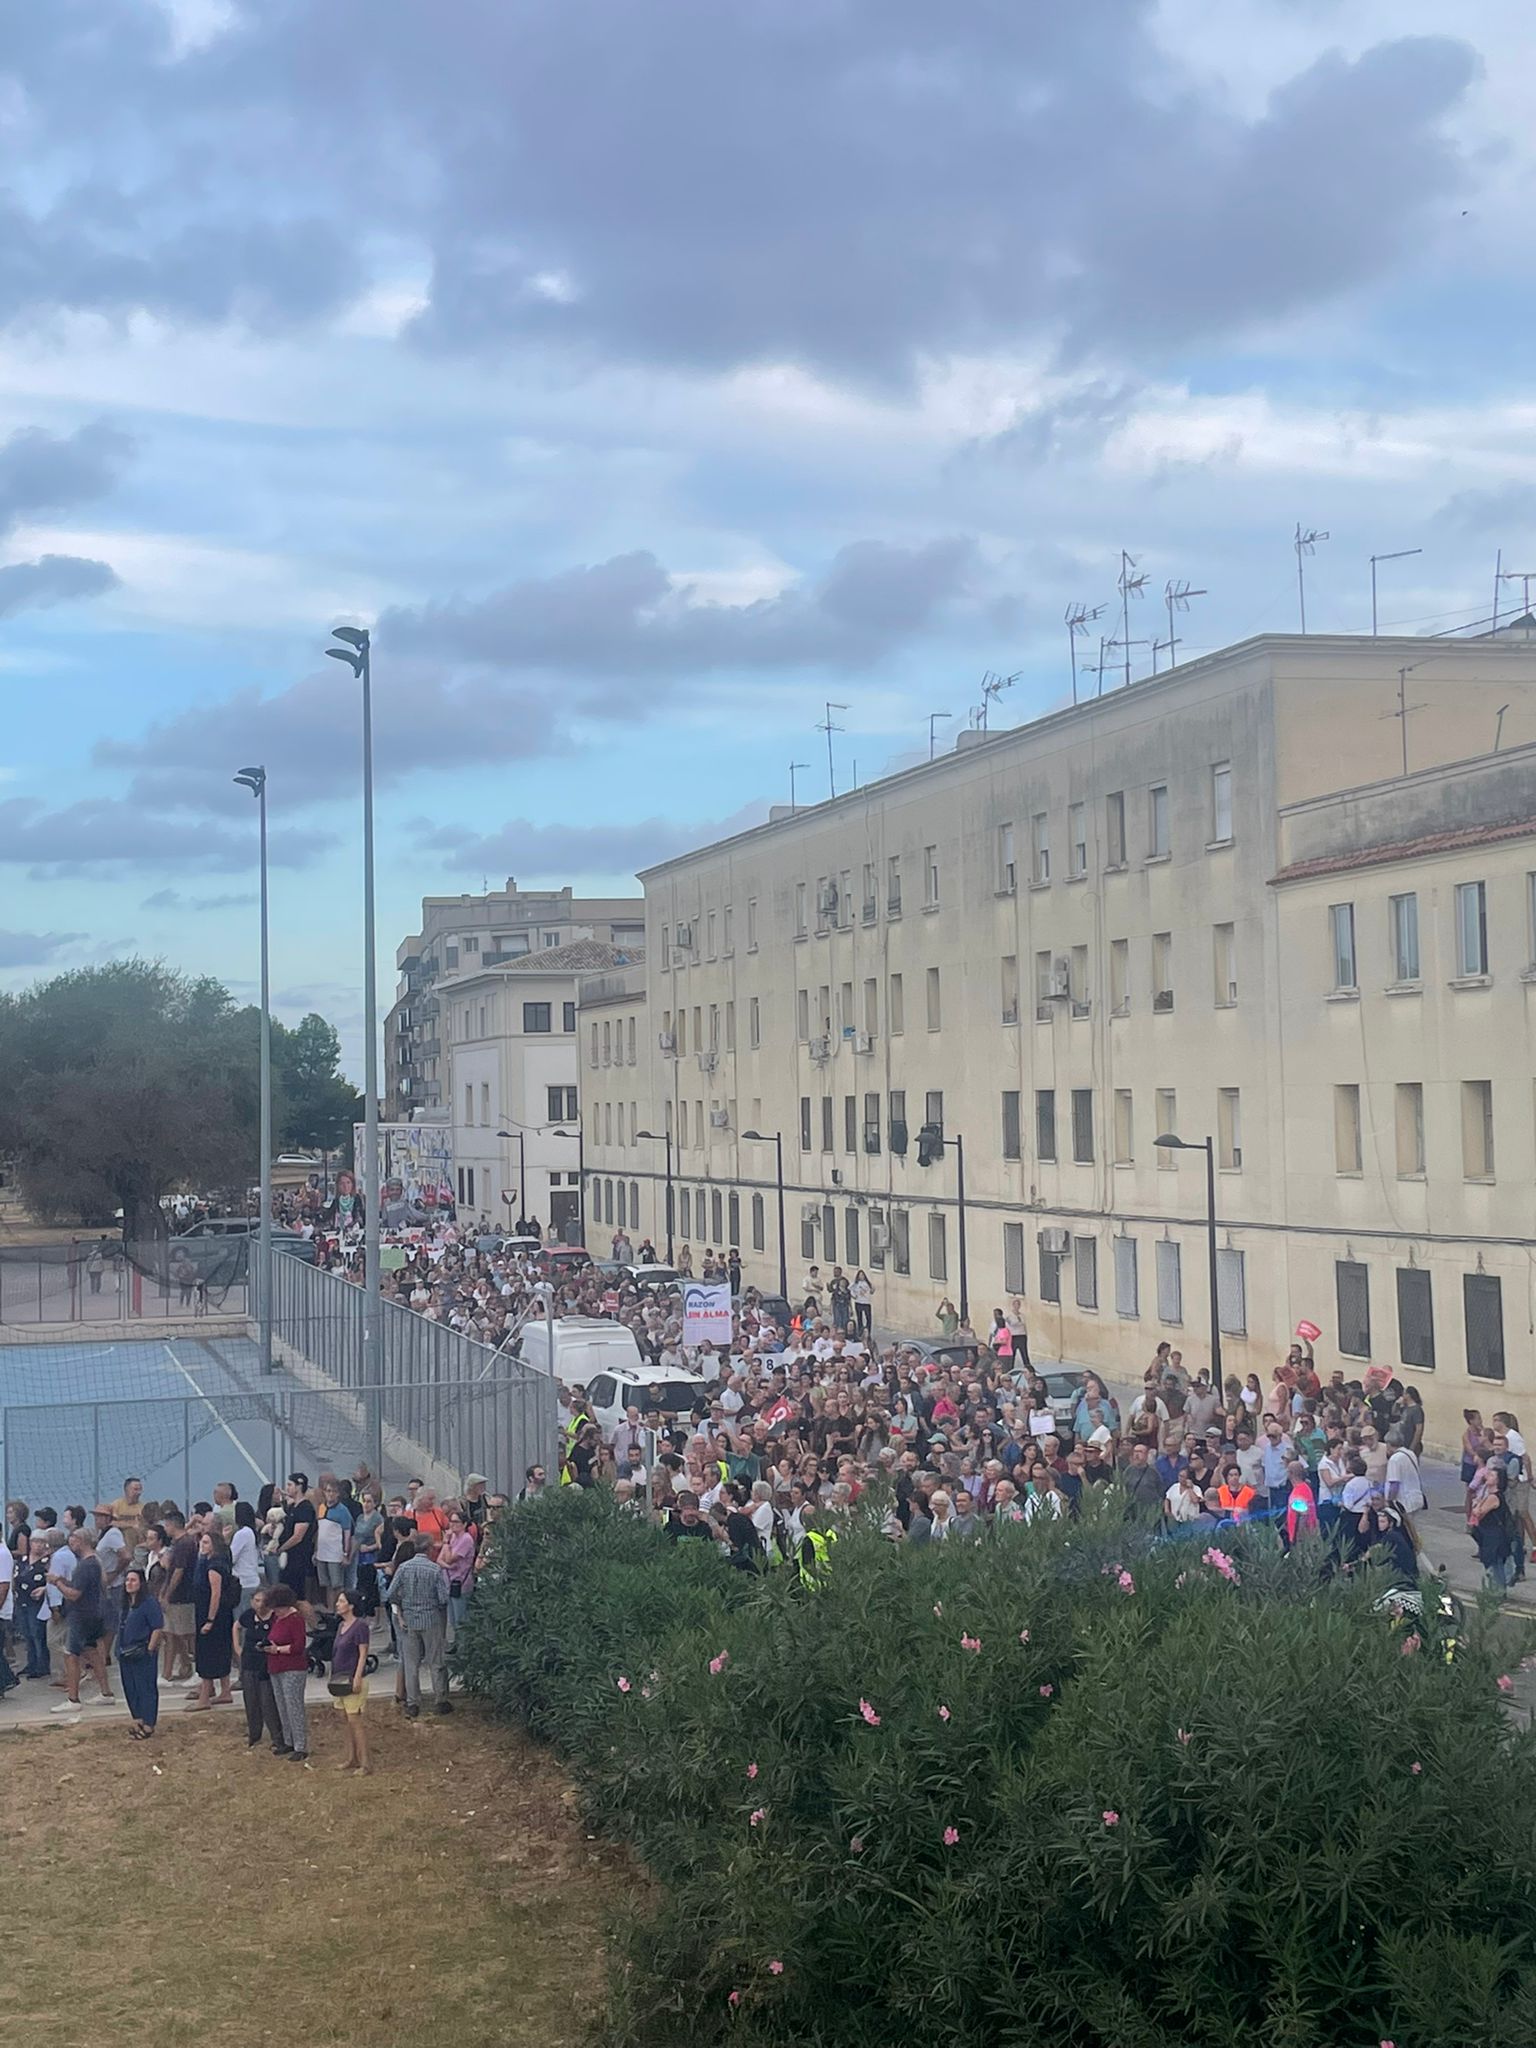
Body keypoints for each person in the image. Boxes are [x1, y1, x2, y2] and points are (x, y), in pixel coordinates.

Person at [382, 1533, 452, 1718]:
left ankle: (413, 1703)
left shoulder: (404, 1568)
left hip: (410, 1620)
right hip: (431, 1619)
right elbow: (444, 1598)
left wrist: (403, 1607)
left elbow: (389, 1594)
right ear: (429, 1549)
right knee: (436, 1661)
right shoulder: (434, 1570)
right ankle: (440, 1699)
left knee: (411, 1664)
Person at [50, 1527, 112, 1712]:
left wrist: (57, 1583)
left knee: (72, 1655)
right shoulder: (91, 1563)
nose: (71, 1542)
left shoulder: (87, 1565)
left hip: (81, 1616)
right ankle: (106, 1692)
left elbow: (75, 1594)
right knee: (91, 1652)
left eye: (73, 1539)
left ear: (81, 1541)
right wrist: (63, 1580)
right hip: (91, 1614)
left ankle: (73, 1698)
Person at [188, 1530, 235, 1710]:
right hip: (214, 1614)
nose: (202, 1545)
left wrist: (210, 1619)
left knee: (207, 1654)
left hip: (213, 1615)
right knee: (220, 1652)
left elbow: (215, 1594)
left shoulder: (214, 1566)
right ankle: (225, 1691)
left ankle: (205, 1697)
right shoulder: (209, 1562)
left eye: (206, 1542)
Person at [262, 1584, 310, 1761]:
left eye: (278, 1608)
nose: (276, 1611)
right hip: (276, 1666)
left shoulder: (295, 1619)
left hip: (293, 1668)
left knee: (294, 1706)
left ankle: (300, 1745)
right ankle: (288, 1740)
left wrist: (278, 1650)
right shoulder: (277, 1618)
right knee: (282, 1706)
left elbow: (299, 1646)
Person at [116, 1566, 164, 1737]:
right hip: (126, 1652)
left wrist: (150, 1650)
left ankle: (149, 1723)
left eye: (133, 1580)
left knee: (146, 1688)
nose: (129, 1583)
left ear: (141, 1583)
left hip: (142, 1652)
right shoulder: (126, 1603)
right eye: (127, 1580)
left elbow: (157, 1627)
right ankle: (138, 1719)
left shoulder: (149, 1603)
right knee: (131, 1687)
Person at [235, 1589, 285, 1753]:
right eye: (256, 1600)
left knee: (268, 1703)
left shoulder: (274, 1618)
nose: (260, 1604)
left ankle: (277, 1738)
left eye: (263, 1601)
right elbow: (236, 1626)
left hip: (266, 1664)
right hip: (249, 1663)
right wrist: (237, 1647)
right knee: (251, 1700)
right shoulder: (248, 1615)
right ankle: (254, 1735)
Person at [329, 1587, 372, 1774]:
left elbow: (363, 1653)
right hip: (339, 1678)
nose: (338, 1604)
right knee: (345, 1720)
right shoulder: (341, 1626)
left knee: (355, 1720)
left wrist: (357, 1677)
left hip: (352, 1678)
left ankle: (365, 1763)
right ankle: (351, 1757)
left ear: (351, 1605)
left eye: (341, 1601)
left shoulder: (360, 1626)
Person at [160, 1508, 198, 1681]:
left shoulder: (184, 1544)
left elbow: (178, 1572)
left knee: (185, 1633)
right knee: (174, 1632)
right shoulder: (179, 1544)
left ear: (172, 1525)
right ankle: (185, 1665)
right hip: (178, 1595)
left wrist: (168, 1594)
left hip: (183, 1595)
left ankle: (197, 1669)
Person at [276, 1472, 318, 1596]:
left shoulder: (305, 1508)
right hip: (289, 1559)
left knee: (297, 1595)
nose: (287, 1488)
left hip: (298, 1559)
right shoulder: (293, 1506)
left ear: (299, 1486)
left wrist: (281, 1548)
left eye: (290, 1485)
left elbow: (298, 1536)